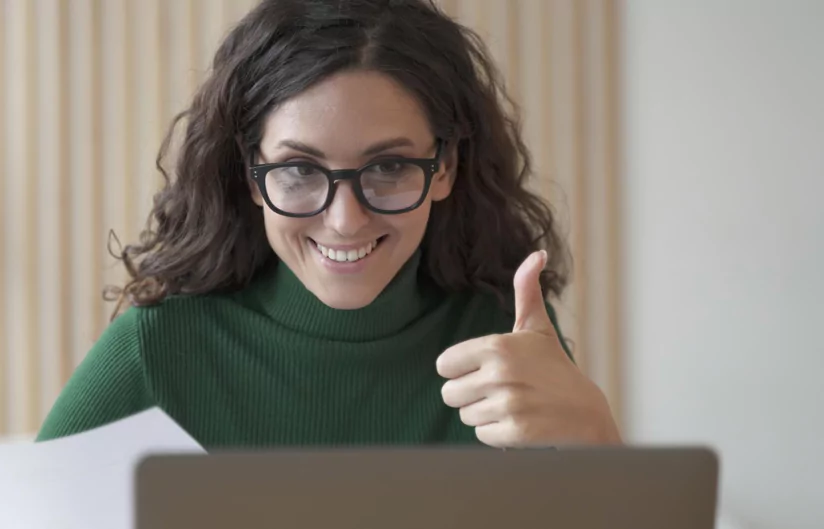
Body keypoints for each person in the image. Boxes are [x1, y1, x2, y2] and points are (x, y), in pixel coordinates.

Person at [37, 0, 621, 449]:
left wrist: (598, 437)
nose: (345, 220)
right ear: (250, 174)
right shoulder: (159, 349)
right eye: (298, 169)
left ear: (444, 166)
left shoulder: (503, 340)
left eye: (389, 166)